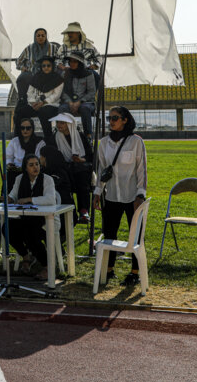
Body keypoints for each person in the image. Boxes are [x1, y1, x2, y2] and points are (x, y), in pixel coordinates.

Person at [92, 106, 148, 287]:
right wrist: (97, 192)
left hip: (132, 197)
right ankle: (108, 270)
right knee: (109, 233)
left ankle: (135, 273)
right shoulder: (103, 143)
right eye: (109, 118)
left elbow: (141, 170)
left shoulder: (136, 141)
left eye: (115, 118)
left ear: (125, 120)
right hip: (112, 196)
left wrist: (140, 194)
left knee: (136, 235)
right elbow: (101, 170)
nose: (111, 121)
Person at [6, 154, 56, 280]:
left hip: (43, 219)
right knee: (7, 229)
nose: (35, 167)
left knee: (31, 234)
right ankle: (26, 256)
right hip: (24, 217)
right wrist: (9, 198)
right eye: (31, 165)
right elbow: (13, 195)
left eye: (37, 164)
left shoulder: (47, 179)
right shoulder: (19, 179)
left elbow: (50, 199)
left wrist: (29, 199)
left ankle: (47, 266)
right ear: (25, 167)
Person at [49, 113, 93, 224]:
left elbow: (91, 156)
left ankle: (83, 210)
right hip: (65, 168)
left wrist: (81, 160)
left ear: (70, 124)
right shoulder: (55, 137)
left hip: (81, 168)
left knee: (81, 175)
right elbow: (54, 155)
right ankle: (69, 211)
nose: (59, 125)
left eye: (62, 123)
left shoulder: (80, 136)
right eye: (58, 122)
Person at [15, 56, 64, 143]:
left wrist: (42, 103)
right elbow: (29, 93)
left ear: (52, 66)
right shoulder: (36, 77)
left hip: (50, 105)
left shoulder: (58, 79)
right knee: (20, 112)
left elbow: (56, 96)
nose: (46, 68)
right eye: (43, 66)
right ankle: (20, 139)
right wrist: (33, 103)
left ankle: (48, 139)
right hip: (35, 105)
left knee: (43, 112)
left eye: (48, 65)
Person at [15, 28, 60, 104]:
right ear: (35, 37)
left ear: (46, 36)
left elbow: (59, 59)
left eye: (43, 35)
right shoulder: (29, 48)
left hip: (48, 72)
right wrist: (22, 67)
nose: (40, 37)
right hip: (32, 72)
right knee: (21, 78)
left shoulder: (53, 48)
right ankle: (22, 101)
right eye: (38, 35)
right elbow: (18, 61)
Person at [59, 51, 96, 141]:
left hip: (86, 102)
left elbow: (91, 92)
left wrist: (80, 101)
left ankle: (88, 136)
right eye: (70, 61)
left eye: (74, 61)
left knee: (85, 108)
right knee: (62, 109)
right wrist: (70, 102)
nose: (72, 63)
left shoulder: (89, 74)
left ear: (80, 63)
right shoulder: (65, 73)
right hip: (69, 102)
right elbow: (62, 91)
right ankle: (65, 135)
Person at [5, 117, 45, 192]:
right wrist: (10, 164)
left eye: (28, 128)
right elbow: (8, 156)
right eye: (22, 128)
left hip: (32, 171)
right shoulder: (15, 141)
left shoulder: (39, 142)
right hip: (15, 171)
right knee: (9, 176)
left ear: (32, 128)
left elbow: (39, 159)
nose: (25, 130)